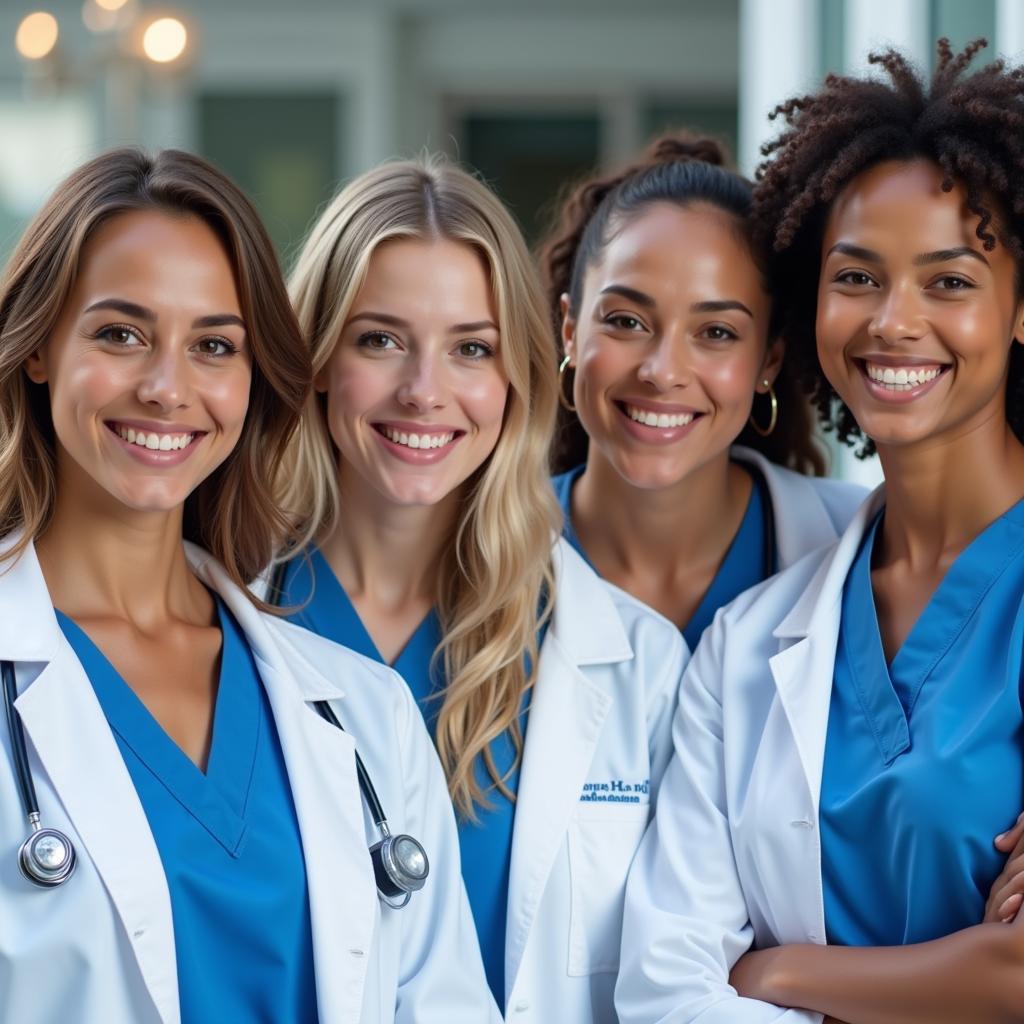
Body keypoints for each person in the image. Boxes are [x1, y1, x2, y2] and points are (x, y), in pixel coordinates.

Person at [0, 148, 496, 1024]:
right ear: (39, 348)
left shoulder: (361, 710)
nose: (166, 387)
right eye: (121, 334)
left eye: (214, 346)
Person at [616, 40, 1024, 1024]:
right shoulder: (748, 643)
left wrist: (779, 972)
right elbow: (666, 987)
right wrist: (964, 970)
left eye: (950, 282)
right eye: (856, 277)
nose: (894, 320)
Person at [273, 155, 685, 1023]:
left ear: (515, 379)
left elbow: (689, 967)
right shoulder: (230, 620)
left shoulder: (636, 666)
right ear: (315, 357)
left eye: (471, 348)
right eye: (379, 339)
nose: (425, 392)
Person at [540, 135, 865, 654]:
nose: (663, 372)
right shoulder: (474, 551)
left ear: (769, 361)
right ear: (570, 331)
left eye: (716, 332)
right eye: (626, 321)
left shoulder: (863, 546)